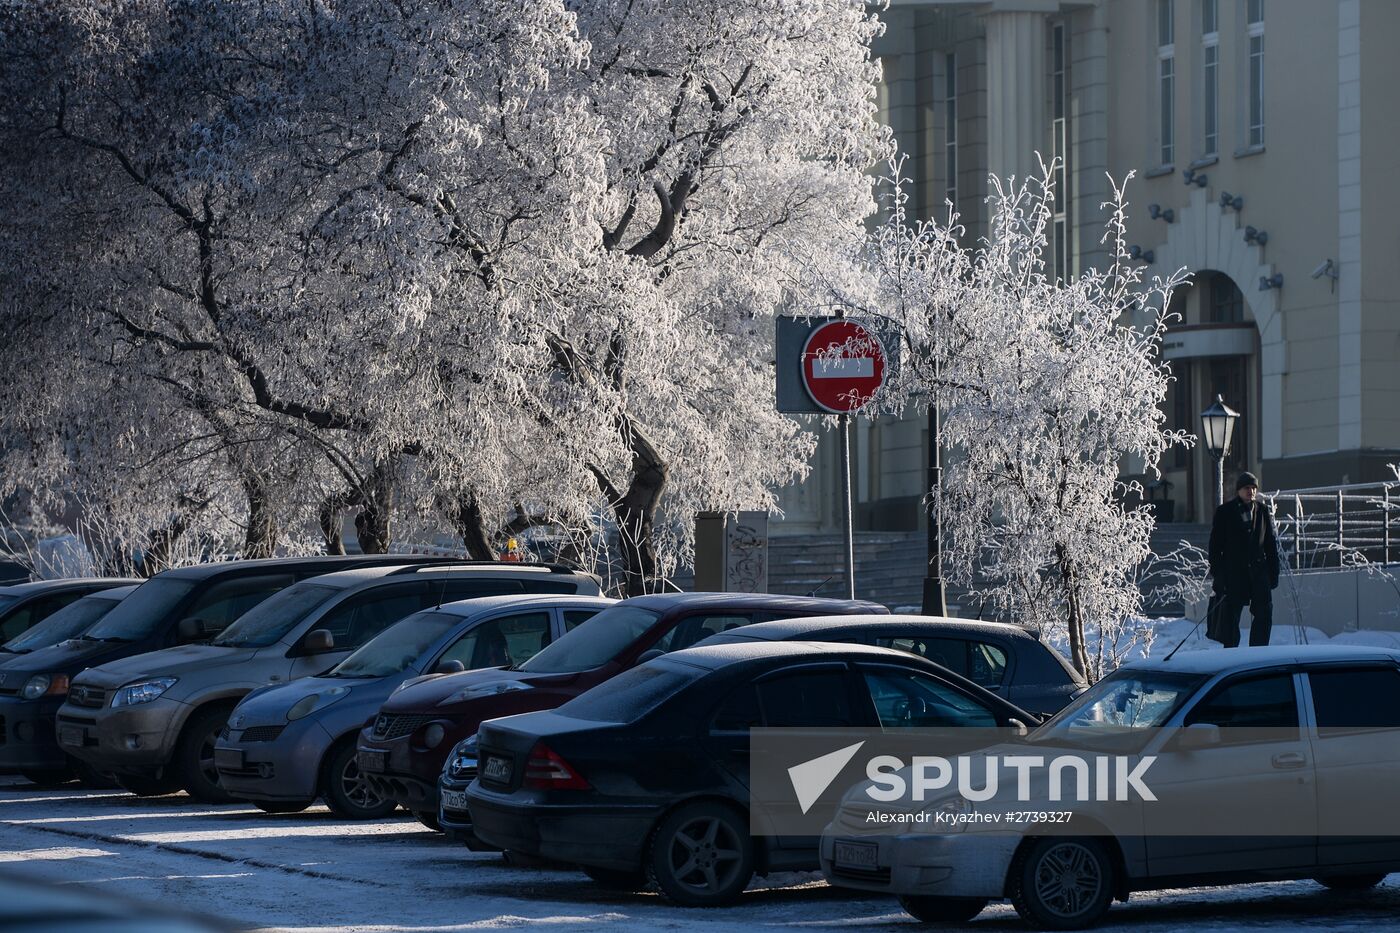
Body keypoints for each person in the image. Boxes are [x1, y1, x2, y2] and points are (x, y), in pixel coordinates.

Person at [1207, 472, 1280, 647]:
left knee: (1264, 613)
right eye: (1247, 488)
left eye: (1254, 488)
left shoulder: (1261, 510)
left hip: (1258, 572)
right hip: (1234, 574)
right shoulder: (1225, 512)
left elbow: (1269, 544)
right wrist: (1218, 575)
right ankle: (1232, 655)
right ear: (1239, 490)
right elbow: (1215, 547)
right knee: (1231, 619)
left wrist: (1273, 573)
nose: (1251, 492)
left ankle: (1258, 653)